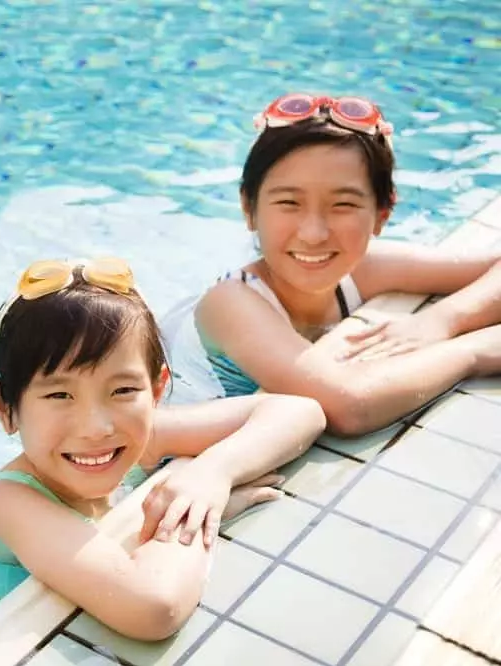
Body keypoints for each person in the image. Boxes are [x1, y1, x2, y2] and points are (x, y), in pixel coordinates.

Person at [0, 257, 325, 641]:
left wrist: (210, 475)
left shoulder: (141, 436)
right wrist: (194, 514)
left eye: (122, 390)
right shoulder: (6, 502)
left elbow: (299, 411)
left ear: (156, 390)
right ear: (4, 407)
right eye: (59, 394)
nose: (97, 427)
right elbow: (154, 608)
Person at [194, 92, 501, 436]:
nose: (313, 234)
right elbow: (350, 407)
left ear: (382, 214)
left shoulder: (363, 269)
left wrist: (443, 320)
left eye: (342, 205)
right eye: (288, 202)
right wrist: (476, 351)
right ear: (249, 208)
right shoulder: (230, 302)